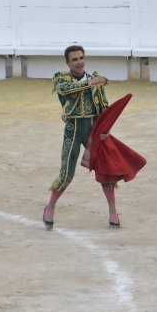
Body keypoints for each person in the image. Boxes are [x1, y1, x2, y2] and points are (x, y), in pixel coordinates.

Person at [44, 45, 121, 230]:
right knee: (67, 174)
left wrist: (106, 129)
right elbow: (65, 89)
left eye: (81, 58)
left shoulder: (95, 78)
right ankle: (51, 206)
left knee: (105, 170)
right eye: (75, 59)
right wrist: (92, 82)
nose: (79, 62)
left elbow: (103, 107)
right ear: (67, 63)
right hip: (73, 129)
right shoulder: (61, 78)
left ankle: (112, 211)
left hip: (93, 131)